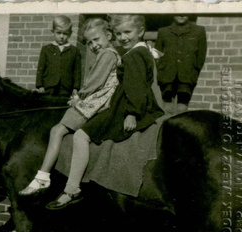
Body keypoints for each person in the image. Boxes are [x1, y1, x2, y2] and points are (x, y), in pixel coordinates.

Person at [45, 14, 164, 210]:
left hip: (127, 108)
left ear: (141, 31)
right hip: (131, 104)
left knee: (81, 136)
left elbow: (135, 86)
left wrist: (132, 113)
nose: (123, 37)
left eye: (128, 32)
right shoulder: (143, 52)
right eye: (119, 33)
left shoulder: (133, 55)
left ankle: (72, 188)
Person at [19, 18, 121, 196]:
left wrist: (79, 97)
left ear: (109, 35)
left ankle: (42, 177)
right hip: (96, 102)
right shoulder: (110, 53)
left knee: (57, 130)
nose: (93, 45)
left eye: (96, 39)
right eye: (89, 42)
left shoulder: (107, 54)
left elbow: (95, 82)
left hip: (94, 104)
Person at [155, 15, 207, 114]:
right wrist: (161, 72)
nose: (181, 15)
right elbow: (157, 54)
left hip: (187, 75)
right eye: (178, 12)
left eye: (185, 12)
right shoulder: (163, 31)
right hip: (167, 75)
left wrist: (193, 73)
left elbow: (201, 57)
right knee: (167, 107)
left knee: (182, 108)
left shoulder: (199, 31)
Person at [36, 15, 82, 98]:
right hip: (48, 86)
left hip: (66, 87)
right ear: (53, 31)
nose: (61, 36)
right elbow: (41, 68)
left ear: (70, 34)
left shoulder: (74, 51)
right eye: (58, 33)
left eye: (65, 33)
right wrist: (40, 85)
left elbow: (77, 71)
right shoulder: (46, 49)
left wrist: (76, 88)